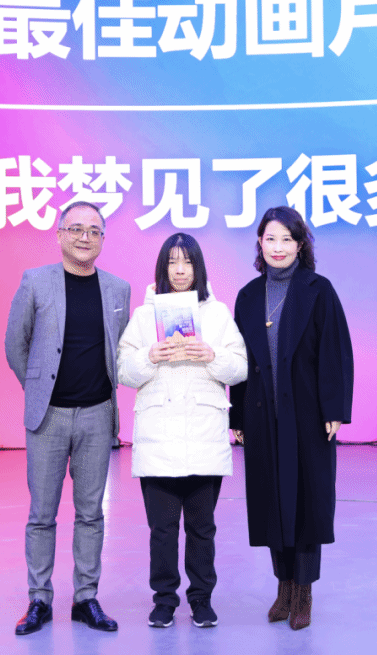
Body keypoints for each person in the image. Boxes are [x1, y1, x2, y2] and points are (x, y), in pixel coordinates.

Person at [5, 201, 131, 635]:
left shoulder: (118, 289)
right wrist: (40, 389)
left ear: (102, 240)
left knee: (91, 513)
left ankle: (85, 598)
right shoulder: (35, 281)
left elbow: (120, 349)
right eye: (76, 229)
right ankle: (39, 600)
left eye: (93, 231)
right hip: (49, 418)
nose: (84, 237)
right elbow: (15, 344)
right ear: (59, 234)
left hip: (98, 415)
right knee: (42, 513)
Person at [229, 206, 354, 631]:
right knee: (271, 501)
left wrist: (334, 410)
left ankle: (304, 592)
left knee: (306, 503)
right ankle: (283, 587)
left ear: (300, 245)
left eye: (287, 239)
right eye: (270, 239)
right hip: (261, 415)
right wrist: (237, 414)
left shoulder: (319, 290)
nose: (278, 247)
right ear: (260, 244)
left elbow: (336, 352)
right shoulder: (248, 296)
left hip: (307, 416)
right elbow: (241, 362)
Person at [117, 233, 247, 629]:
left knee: (202, 529)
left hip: (204, 437)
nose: (179, 270)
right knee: (162, 530)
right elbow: (122, 370)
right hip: (158, 438)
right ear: (162, 267)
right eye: (172, 262)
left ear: (198, 267)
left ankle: (202, 600)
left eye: (187, 262)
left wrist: (212, 355)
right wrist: (149, 357)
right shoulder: (144, 316)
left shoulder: (217, 314)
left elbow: (240, 367)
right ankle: (164, 601)